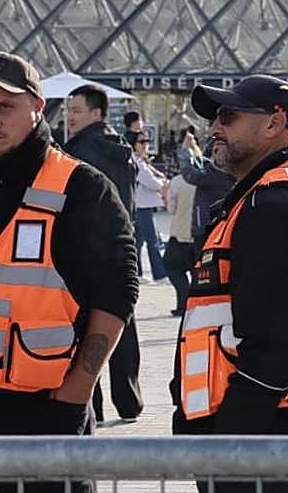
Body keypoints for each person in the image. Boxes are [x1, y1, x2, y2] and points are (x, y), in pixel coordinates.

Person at [0, 53, 135, 490]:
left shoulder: (82, 187)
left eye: (5, 107)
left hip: (42, 415)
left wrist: (76, 392)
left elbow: (117, 293)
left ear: (37, 106)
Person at [172, 75, 288, 493]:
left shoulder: (272, 207)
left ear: (274, 123)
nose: (214, 127)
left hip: (254, 443)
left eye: (228, 116)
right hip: (263, 434)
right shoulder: (269, 196)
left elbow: (274, 347)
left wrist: (229, 441)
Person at [63, 84, 143, 423]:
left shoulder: (80, 151)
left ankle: (90, 405)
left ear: (96, 113)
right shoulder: (122, 149)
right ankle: (130, 400)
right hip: (121, 246)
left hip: (87, 247)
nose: (69, 117)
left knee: (87, 329)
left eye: (75, 111)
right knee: (121, 323)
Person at [131, 134, 168, 281]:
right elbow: (151, 182)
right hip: (142, 206)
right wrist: (163, 184)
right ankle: (159, 273)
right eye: (142, 142)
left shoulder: (141, 160)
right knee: (153, 241)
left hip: (142, 205)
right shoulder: (136, 161)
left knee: (138, 241)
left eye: (147, 141)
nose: (146, 144)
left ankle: (137, 272)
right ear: (134, 145)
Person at [163, 170, 196, 316]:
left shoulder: (178, 181)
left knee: (172, 267)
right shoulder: (210, 180)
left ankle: (183, 302)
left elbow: (171, 208)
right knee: (197, 270)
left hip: (180, 233)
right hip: (201, 234)